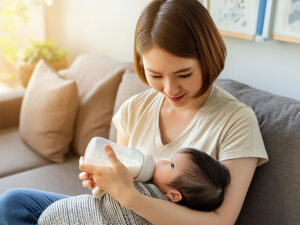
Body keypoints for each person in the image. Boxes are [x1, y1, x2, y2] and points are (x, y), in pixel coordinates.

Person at [0, 0, 268, 224]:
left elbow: (222, 221)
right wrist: (103, 183)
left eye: (183, 74)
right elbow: (118, 180)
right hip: (117, 215)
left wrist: (131, 198)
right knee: (13, 203)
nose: (169, 88)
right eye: (155, 75)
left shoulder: (236, 121)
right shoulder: (134, 109)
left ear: (208, 58)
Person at [38, 147, 231, 225]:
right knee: (14, 199)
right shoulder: (140, 182)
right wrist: (100, 183)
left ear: (173, 196)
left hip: (62, 219)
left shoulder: (150, 202)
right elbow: (104, 196)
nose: (162, 160)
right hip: (71, 212)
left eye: (171, 165)